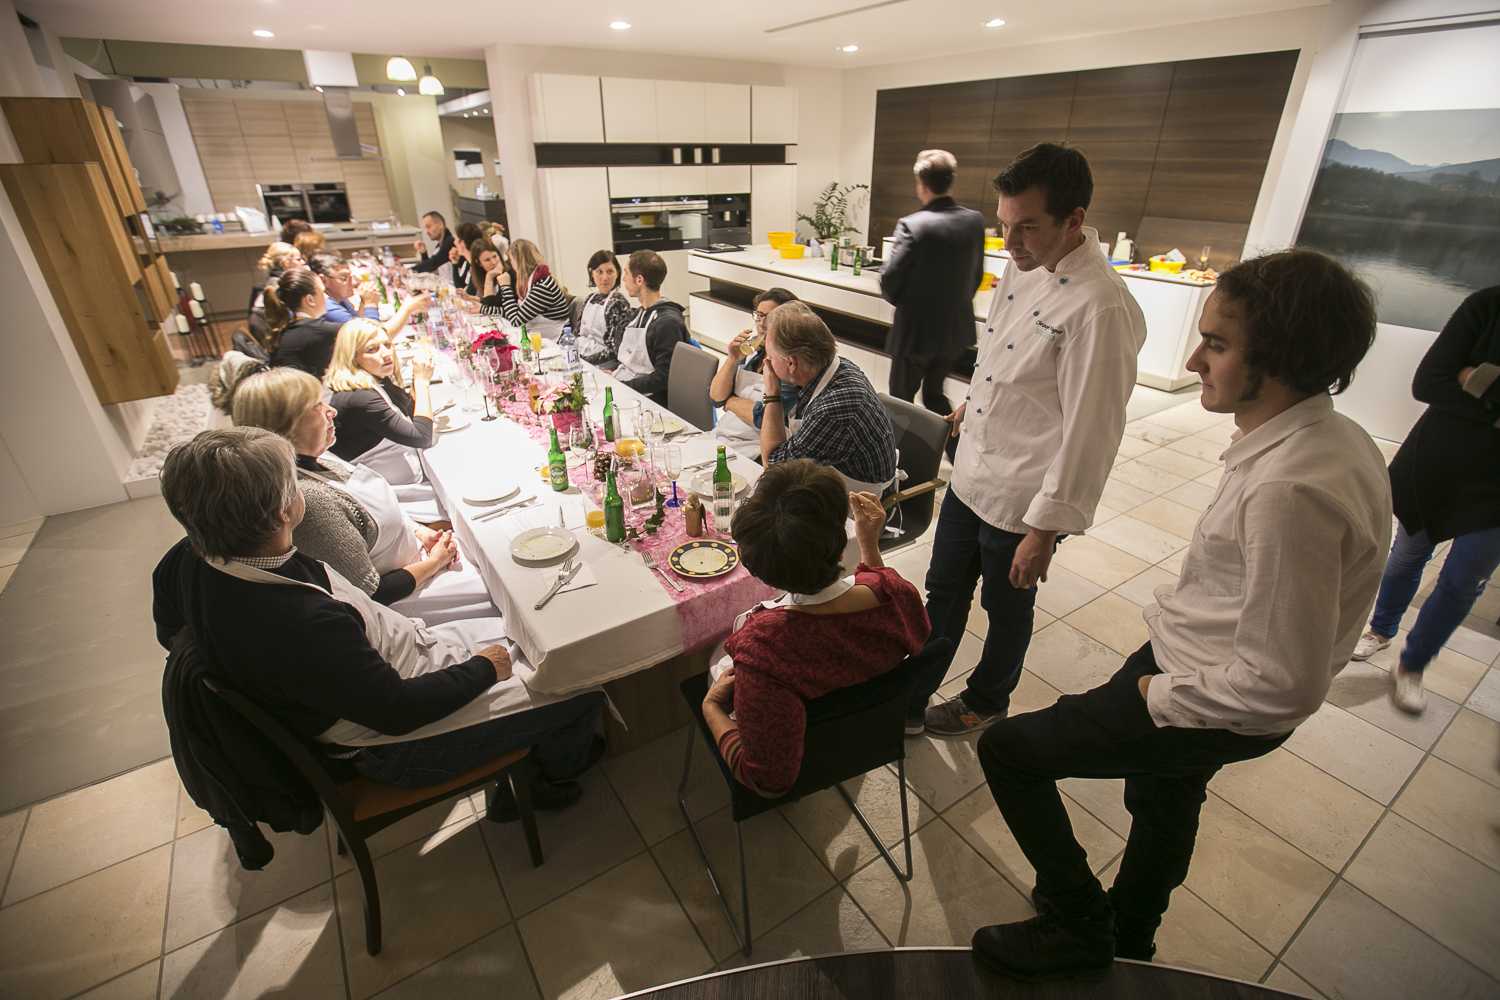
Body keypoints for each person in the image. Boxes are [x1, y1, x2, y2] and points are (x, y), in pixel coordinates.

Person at [967, 249, 1391, 978]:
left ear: (1282, 359)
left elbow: (1282, 684)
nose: (1194, 361)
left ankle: (1078, 921)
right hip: (1194, 661)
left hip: (1205, 691)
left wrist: (1154, 696)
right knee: (1165, 796)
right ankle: (1131, 936)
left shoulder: (1289, 490)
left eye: (1217, 345)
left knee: (1010, 752)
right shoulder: (1330, 438)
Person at [153, 427, 603, 814]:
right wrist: (486, 668)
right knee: (579, 681)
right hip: (392, 747)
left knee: (543, 631)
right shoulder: (297, 621)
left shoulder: (186, 560)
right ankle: (537, 787)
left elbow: (169, 630)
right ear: (283, 511)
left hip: (389, 667)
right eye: (295, 482)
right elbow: (399, 711)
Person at [914, 144, 1146, 738]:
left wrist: (1045, 529)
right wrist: (975, 401)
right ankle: (912, 691)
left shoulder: (1100, 307)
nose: (1010, 243)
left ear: (1074, 219)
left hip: (1024, 495)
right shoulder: (1023, 264)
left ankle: (987, 698)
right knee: (942, 588)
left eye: (1027, 227)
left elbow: (1093, 431)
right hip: (973, 468)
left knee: (1006, 606)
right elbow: (1001, 351)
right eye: (1004, 224)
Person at [702, 460, 930, 797]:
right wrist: (869, 544)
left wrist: (711, 708)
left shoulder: (762, 651)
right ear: (838, 539)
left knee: (712, 661)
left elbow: (769, 781)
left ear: (759, 569)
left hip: (808, 757)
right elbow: (903, 616)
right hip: (869, 738)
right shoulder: (897, 593)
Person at [221, 364, 489, 624]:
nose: (332, 411)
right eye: (316, 406)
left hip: (422, 562)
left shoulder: (320, 457)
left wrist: (419, 532)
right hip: (407, 604)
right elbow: (371, 594)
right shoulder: (309, 498)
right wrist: (435, 562)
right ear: (284, 426)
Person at [1352, 285, 1500, 714]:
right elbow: (1430, 381)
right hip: (1441, 463)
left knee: (1462, 581)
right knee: (1405, 557)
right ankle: (1381, 630)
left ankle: (1412, 664)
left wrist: (1478, 379)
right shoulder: (1488, 305)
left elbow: (1454, 381)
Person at [879, 149, 987, 421]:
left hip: (915, 332)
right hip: (954, 329)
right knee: (934, 394)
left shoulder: (912, 225)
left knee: (900, 401)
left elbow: (890, 281)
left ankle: (900, 448)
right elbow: (976, 275)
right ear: (951, 181)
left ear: (921, 184)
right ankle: (953, 441)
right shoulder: (974, 221)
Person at [757, 301, 897, 494]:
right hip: (832, 481)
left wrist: (772, 393)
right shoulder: (834, 366)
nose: (767, 362)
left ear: (791, 363)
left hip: (860, 503)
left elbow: (774, 469)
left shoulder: (834, 409)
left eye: (770, 357)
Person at [323, 319, 440, 508]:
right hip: (393, 499)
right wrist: (421, 381)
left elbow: (409, 413)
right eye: (372, 349)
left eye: (387, 345)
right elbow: (422, 437)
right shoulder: (360, 397)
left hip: (402, 483)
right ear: (352, 357)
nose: (386, 354)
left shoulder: (373, 379)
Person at [710, 288, 800, 458]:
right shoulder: (751, 351)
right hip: (724, 437)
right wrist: (732, 358)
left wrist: (730, 401)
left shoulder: (789, 364)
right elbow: (716, 398)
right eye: (759, 315)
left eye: (770, 318)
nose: (762, 324)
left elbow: (765, 417)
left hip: (757, 450)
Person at [614, 250, 691, 405]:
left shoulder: (667, 323)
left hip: (650, 400)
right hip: (630, 387)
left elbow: (663, 378)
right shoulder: (641, 312)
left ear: (639, 280)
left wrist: (623, 386)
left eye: (626, 273)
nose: (623, 279)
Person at [308, 252, 429, 335]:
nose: (353, 282)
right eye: (344, 278)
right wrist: (407, 309)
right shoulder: (328, 307)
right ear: (323, 280)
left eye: (351, 276)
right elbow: (371, 337)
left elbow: (360, 322)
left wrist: (364, 302)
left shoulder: (339, 298)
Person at [266, 266, 343, 378]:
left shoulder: (287, 329)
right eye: (323, 292)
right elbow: (363, 333)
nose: (327, 297)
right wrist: (368, 304)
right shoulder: (323, 331)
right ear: (310, 300)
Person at [494, 238, 574, 338]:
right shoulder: (533, 281)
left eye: (511, 260)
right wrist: (482, 309)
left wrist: (505, 287)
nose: (511, 264)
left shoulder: (542, 286)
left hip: (557, 341)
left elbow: (516, 321)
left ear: (518, 261)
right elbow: (514, 312)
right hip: (543, 338)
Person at [574, 249, 634, 367]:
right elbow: (577, 333)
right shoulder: (589, 298)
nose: (605, 277)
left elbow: (616, 351)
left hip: (603, 366)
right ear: (592, 274)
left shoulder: (618, 303)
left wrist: (585, 361)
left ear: (617, 274)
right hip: (581, 357)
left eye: (610, 271)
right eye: (599, 272)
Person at [411, 210, 455, 284]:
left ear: (440, 225)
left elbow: (433, 263)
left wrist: (410, 270)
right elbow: (429, 269)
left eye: (428, 227)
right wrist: (423, 253)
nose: (427, 232)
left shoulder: (450, 242)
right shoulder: (439, 245)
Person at [472, 239, 510, 316]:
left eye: (495, 256)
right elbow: (488, 308)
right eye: (487, 260)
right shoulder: (484, 276)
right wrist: (489, 277)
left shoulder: (509, 274)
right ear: (479, 263)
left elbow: (490, 309)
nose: (493, 262)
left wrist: (489, 277)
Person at [449, 222, 484, 294]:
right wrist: (455, 263)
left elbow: (469, 294)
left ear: (462, 243)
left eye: (456, 239)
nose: (454, 242)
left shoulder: (479, 266)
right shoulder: (468, 262)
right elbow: (460, 287)